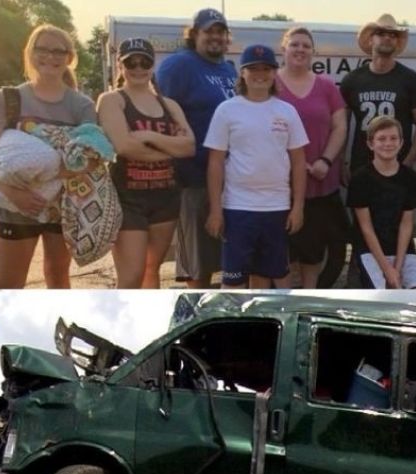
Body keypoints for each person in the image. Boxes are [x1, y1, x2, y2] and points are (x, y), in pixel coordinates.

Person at [0, 24, 96, 289]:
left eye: (58, 51)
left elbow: (91, 157)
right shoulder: (7, 99)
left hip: (63, 206)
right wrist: (10, 192)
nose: (50, 56)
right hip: (15, 207)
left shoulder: (82, 105)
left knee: (58, 278)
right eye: (42, 49)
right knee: (8, 285)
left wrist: (53, 173)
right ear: (30, 53)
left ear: (69, 57)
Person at [203, 44, 308, 290]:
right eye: (253, 69)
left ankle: (266, 314)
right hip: (237, 207)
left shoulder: (287, 111)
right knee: (233, 280)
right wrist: (216, 210)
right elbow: (215, 162)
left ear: (275, 73)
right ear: (242, 73)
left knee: (272, 276)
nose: (260, 75)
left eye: (266, 69)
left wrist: (298, 207)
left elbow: (299, 162)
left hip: (277, 207)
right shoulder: (227, 110)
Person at [97, 38, 195, 289]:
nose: (138, 68)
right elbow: (124, 146)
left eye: (145, 62)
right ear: (120, 65)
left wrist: (150, 137)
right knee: (131, 276)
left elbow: (189, 146)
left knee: (152, 270)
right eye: (131, 62)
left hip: (166, 198)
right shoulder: (112, 100)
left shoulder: (169, 105)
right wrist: (170, 149)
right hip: (128, 199)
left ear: (153, 65)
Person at [155, 8, 237, 289]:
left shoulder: (228, 69)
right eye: (208, 31)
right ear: (194, 34)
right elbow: (161, 115)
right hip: (193, 178)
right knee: (199, 263)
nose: (215, 37)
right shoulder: (178, 65)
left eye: (220, 32)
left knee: (232, 257)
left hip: (232, 178)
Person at [276, 26, 348, 289]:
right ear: (283, 48)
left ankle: (309, 296)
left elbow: (340, 126)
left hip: (321, 184)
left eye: (306, 45)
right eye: (294, 44)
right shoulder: (271, 84)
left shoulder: (326, 86)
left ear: (313, 52)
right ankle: (285, 302)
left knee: (314, 251)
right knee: (283, 252)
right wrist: (292, 164)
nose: (300, 49)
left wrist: (325, 160)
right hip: (280, 187)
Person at [341, 14, 416, 175]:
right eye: (381, 33)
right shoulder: (352, 80)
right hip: (361, 168)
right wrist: (342, 162)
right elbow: (342, 126)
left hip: (399, 170)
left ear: (397, 42)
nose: (387, 38)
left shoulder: (412, 80)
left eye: (393, 35)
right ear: (371, 39)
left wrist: (408, 163)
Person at [347, 116, 416, 289]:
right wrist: (387, 269)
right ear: (370, 144)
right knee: (383, 294)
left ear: (401, 143)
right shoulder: (360, 179)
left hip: (402, 252)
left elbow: (406, 224)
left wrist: (397, 267)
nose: (388, 143)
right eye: (381, 139)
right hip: (371, 252)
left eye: (393, 138)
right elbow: (366, 228)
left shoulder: (410, 178)